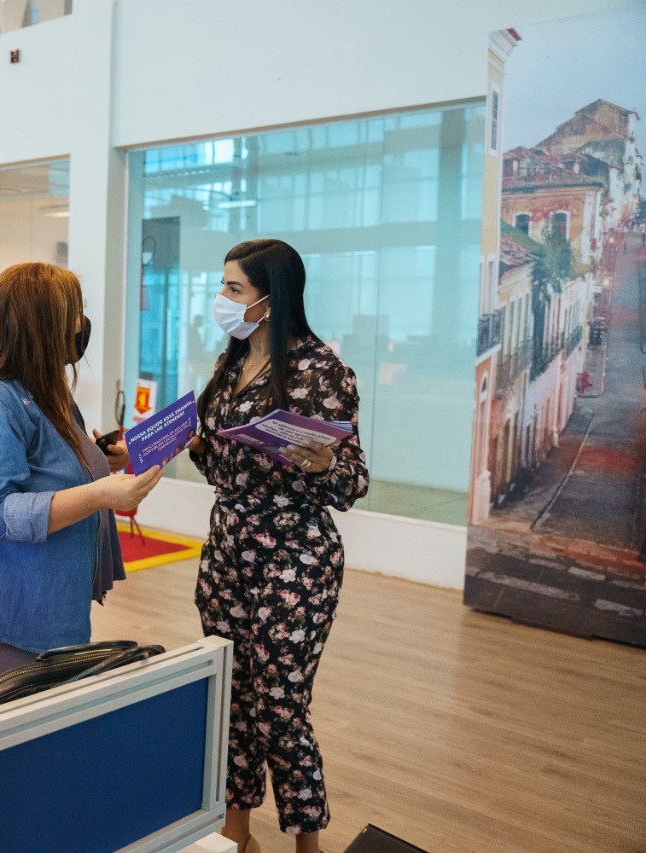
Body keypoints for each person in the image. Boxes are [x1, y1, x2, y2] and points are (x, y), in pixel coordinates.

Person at [188, 239, 369, 853]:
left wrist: (321, 464)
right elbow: (220, 468)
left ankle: (307, 844)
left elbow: (352, 482)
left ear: (273, 297)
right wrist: (180, 446)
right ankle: (235, 832)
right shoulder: (230, 363)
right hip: (227, 550)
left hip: (295, 556)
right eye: (223, 286)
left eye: (234, 289)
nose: (223, 300)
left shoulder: (323, 372)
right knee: (233, 695)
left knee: (281, 706)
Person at [0, 262, 164, 683]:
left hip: (55, 610)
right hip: (14, 624)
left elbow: (50, 467)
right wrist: (100, 495)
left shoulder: (46, 393)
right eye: (73, 313)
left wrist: (100, 460)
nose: (82, 324)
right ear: (40, 326)